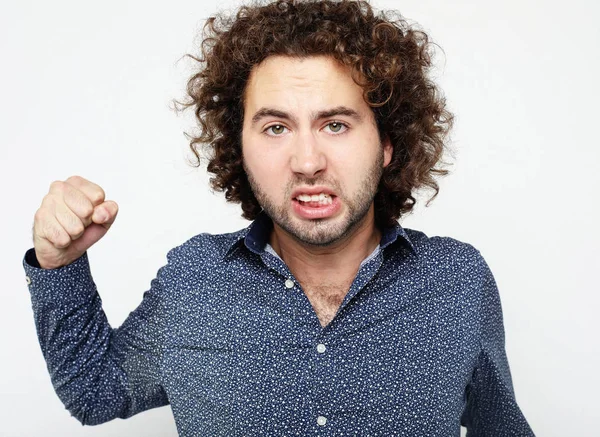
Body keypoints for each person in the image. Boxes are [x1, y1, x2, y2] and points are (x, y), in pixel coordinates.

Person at [22, 0, 535, 435]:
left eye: (335, 125)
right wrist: (60, 264)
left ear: (386, 145)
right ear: (238, 148)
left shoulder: (457, 283)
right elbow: (95, 391)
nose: (308, 162)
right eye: (275, 128)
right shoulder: (194, 280)